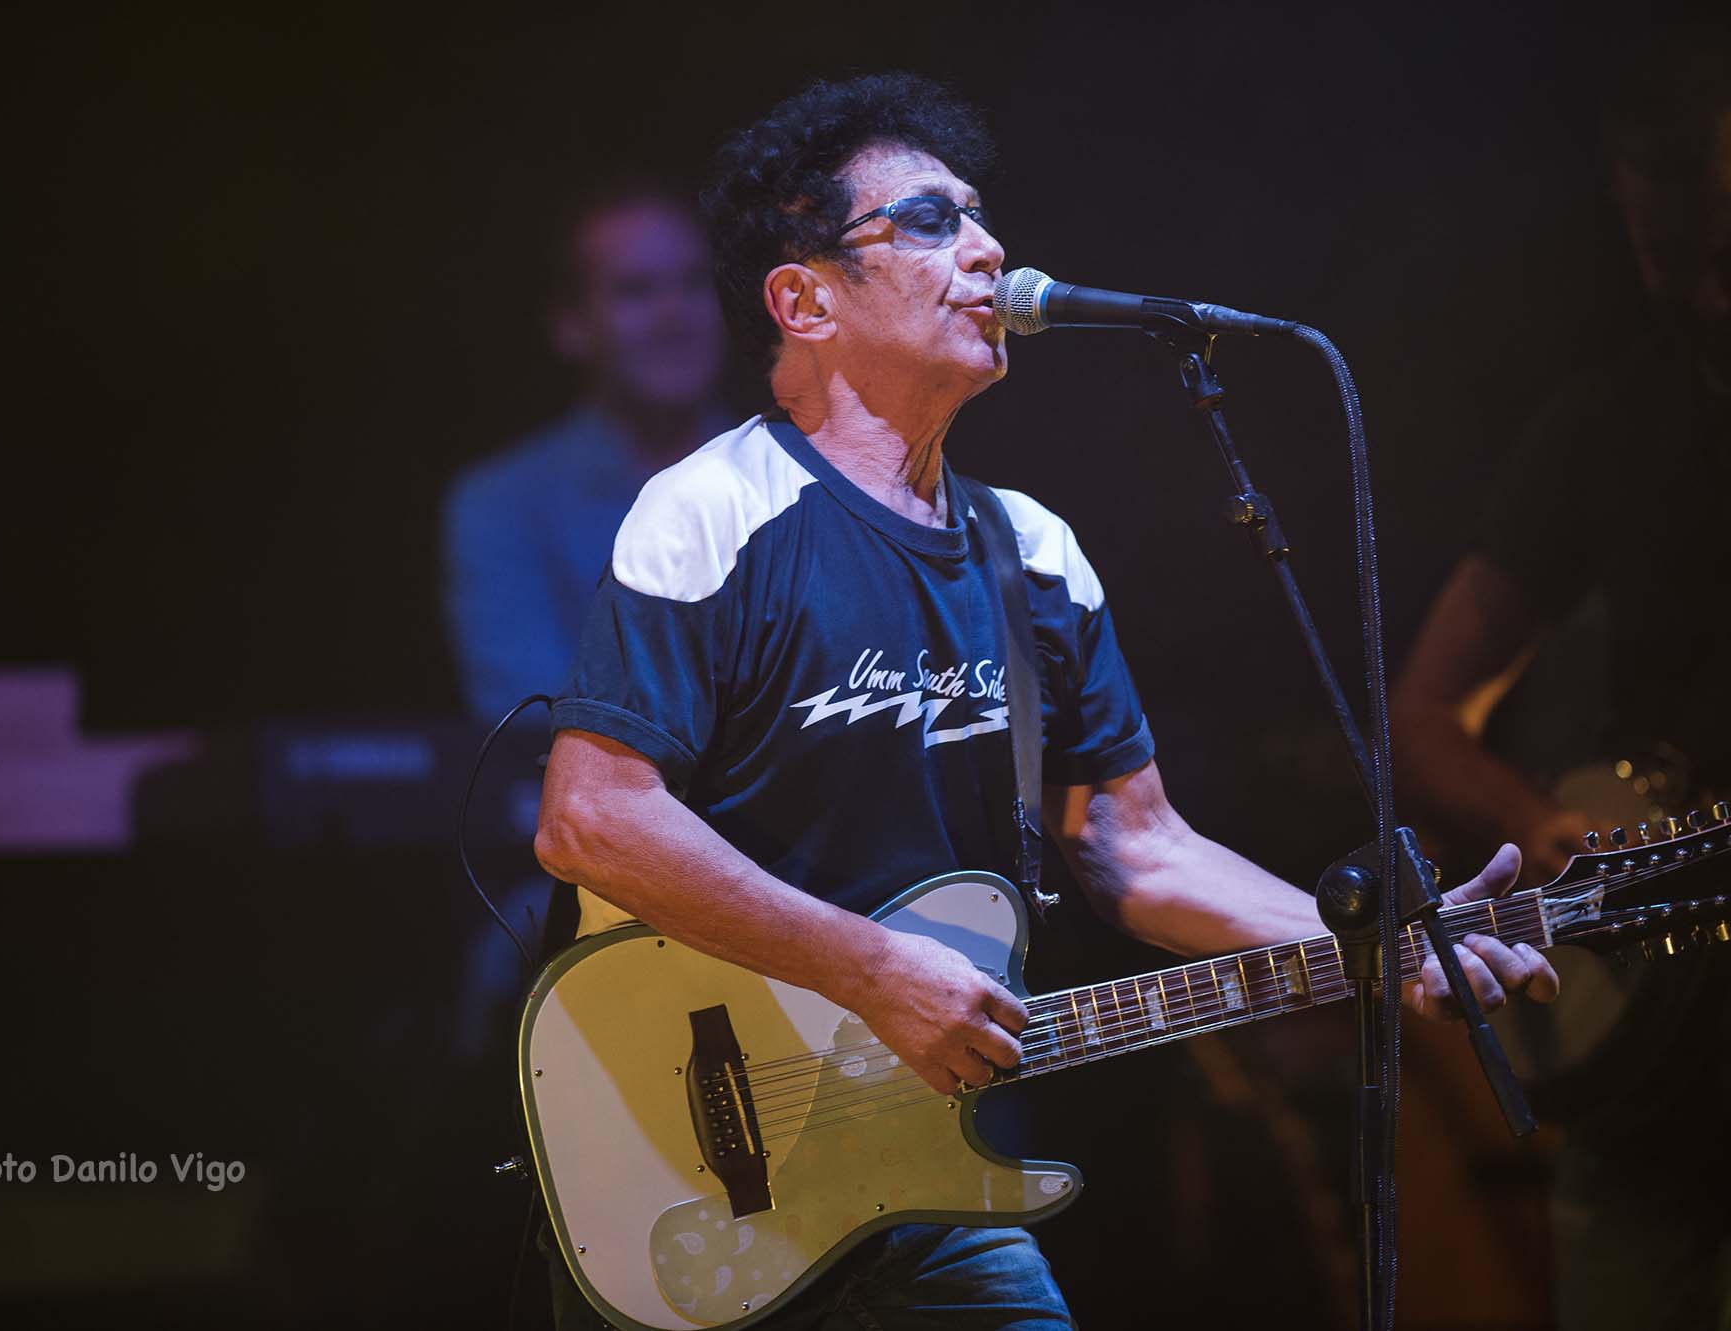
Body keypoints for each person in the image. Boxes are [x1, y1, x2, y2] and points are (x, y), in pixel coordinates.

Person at [530, 72, 1560, 1330]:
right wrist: (871, 967)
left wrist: (1378, 950)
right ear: (803, 301)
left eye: (978, 214)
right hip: (689, 1154)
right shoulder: (713, 509)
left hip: (926, 1173)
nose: (986, 247)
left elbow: (1136, 845)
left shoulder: (1033, 553)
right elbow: (593, 820)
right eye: (927, 220)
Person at [1391, 25, 1731, 1331]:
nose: (1705, 297)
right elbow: (1423, 712)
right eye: (1663, 257)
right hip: (1643, 1032)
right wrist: (1534, 822)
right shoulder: (1601, 423)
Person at [443, 183, 731, 723]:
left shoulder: (800, 476)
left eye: (694, 283)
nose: (674, 315)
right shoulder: (503, 504)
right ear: (571, 327)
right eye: (635, 291)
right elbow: (530, 719)